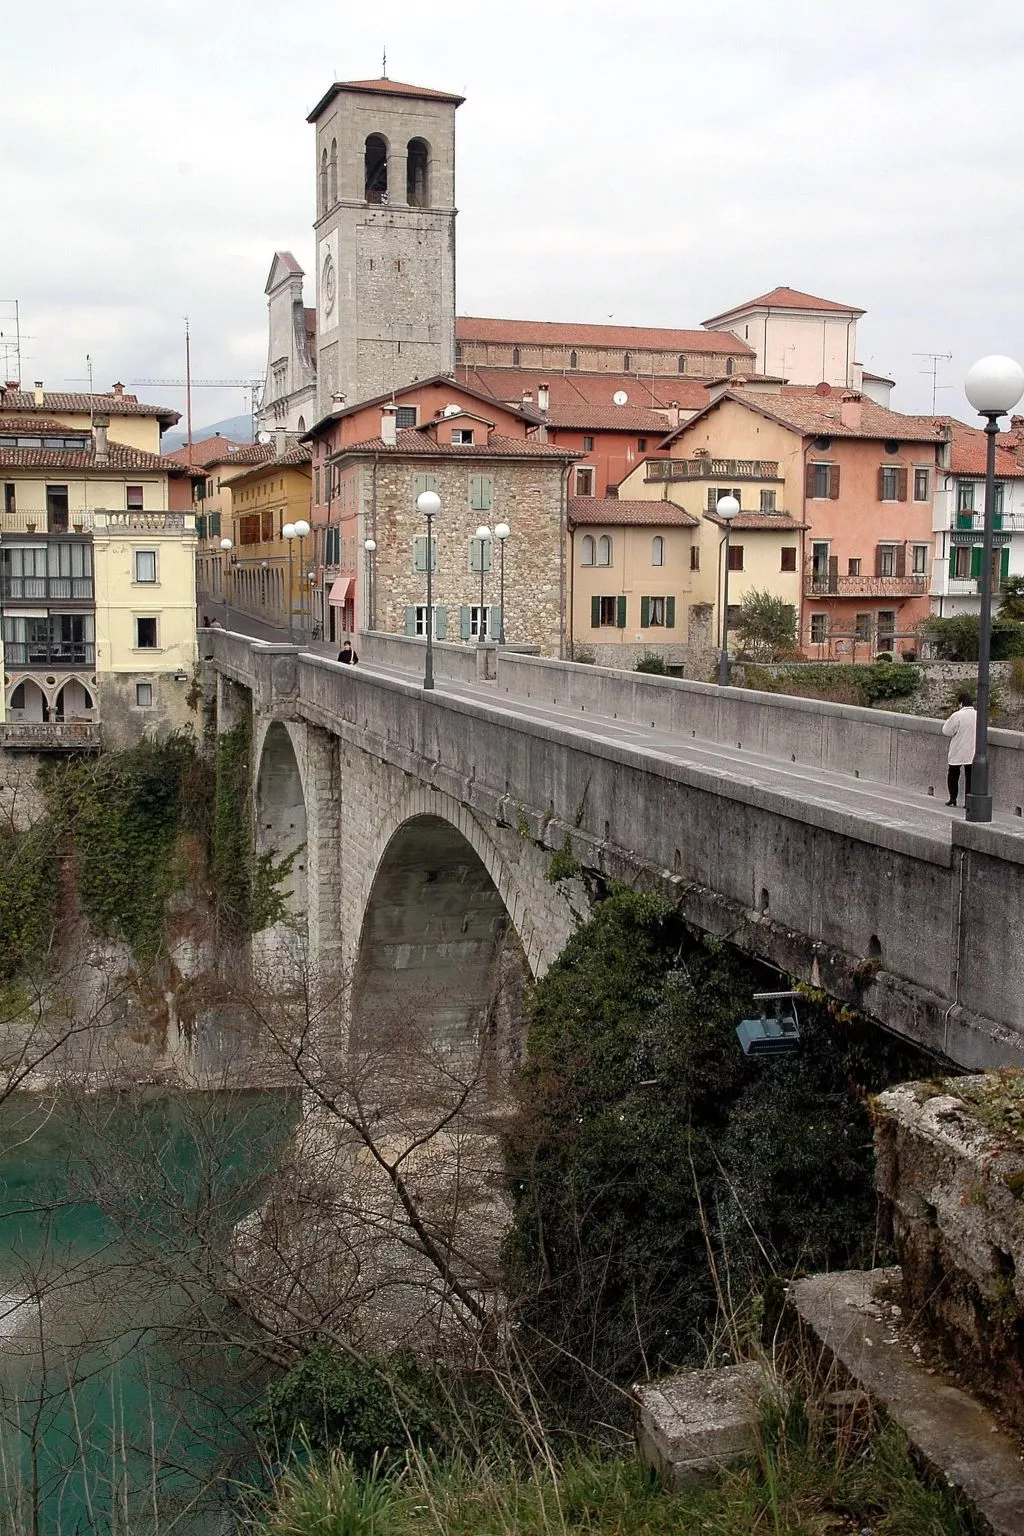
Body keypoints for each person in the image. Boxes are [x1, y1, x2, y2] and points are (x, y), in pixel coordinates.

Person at [942, 690, 977, 807]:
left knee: (953, 774)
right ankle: (968, 802)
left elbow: (946, 731)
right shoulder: (978, 715)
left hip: (958, 749)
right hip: (973, 749)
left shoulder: (957, 715)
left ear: (961, 703)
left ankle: (953, 798)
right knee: (970, 777)